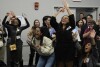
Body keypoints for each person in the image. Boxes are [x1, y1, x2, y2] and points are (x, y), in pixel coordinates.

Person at [50, 0, 75, 67]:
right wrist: (59, 11)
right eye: (63, 18)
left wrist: (67, 8)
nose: (64, 19)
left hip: (69, 48)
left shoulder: (70, 26)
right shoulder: (58, 26)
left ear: (68, 20)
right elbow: (52, 20)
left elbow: (72, 18)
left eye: (66, 18)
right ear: (61, 20)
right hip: (59, 48)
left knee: (69, 63)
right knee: (60, 64)